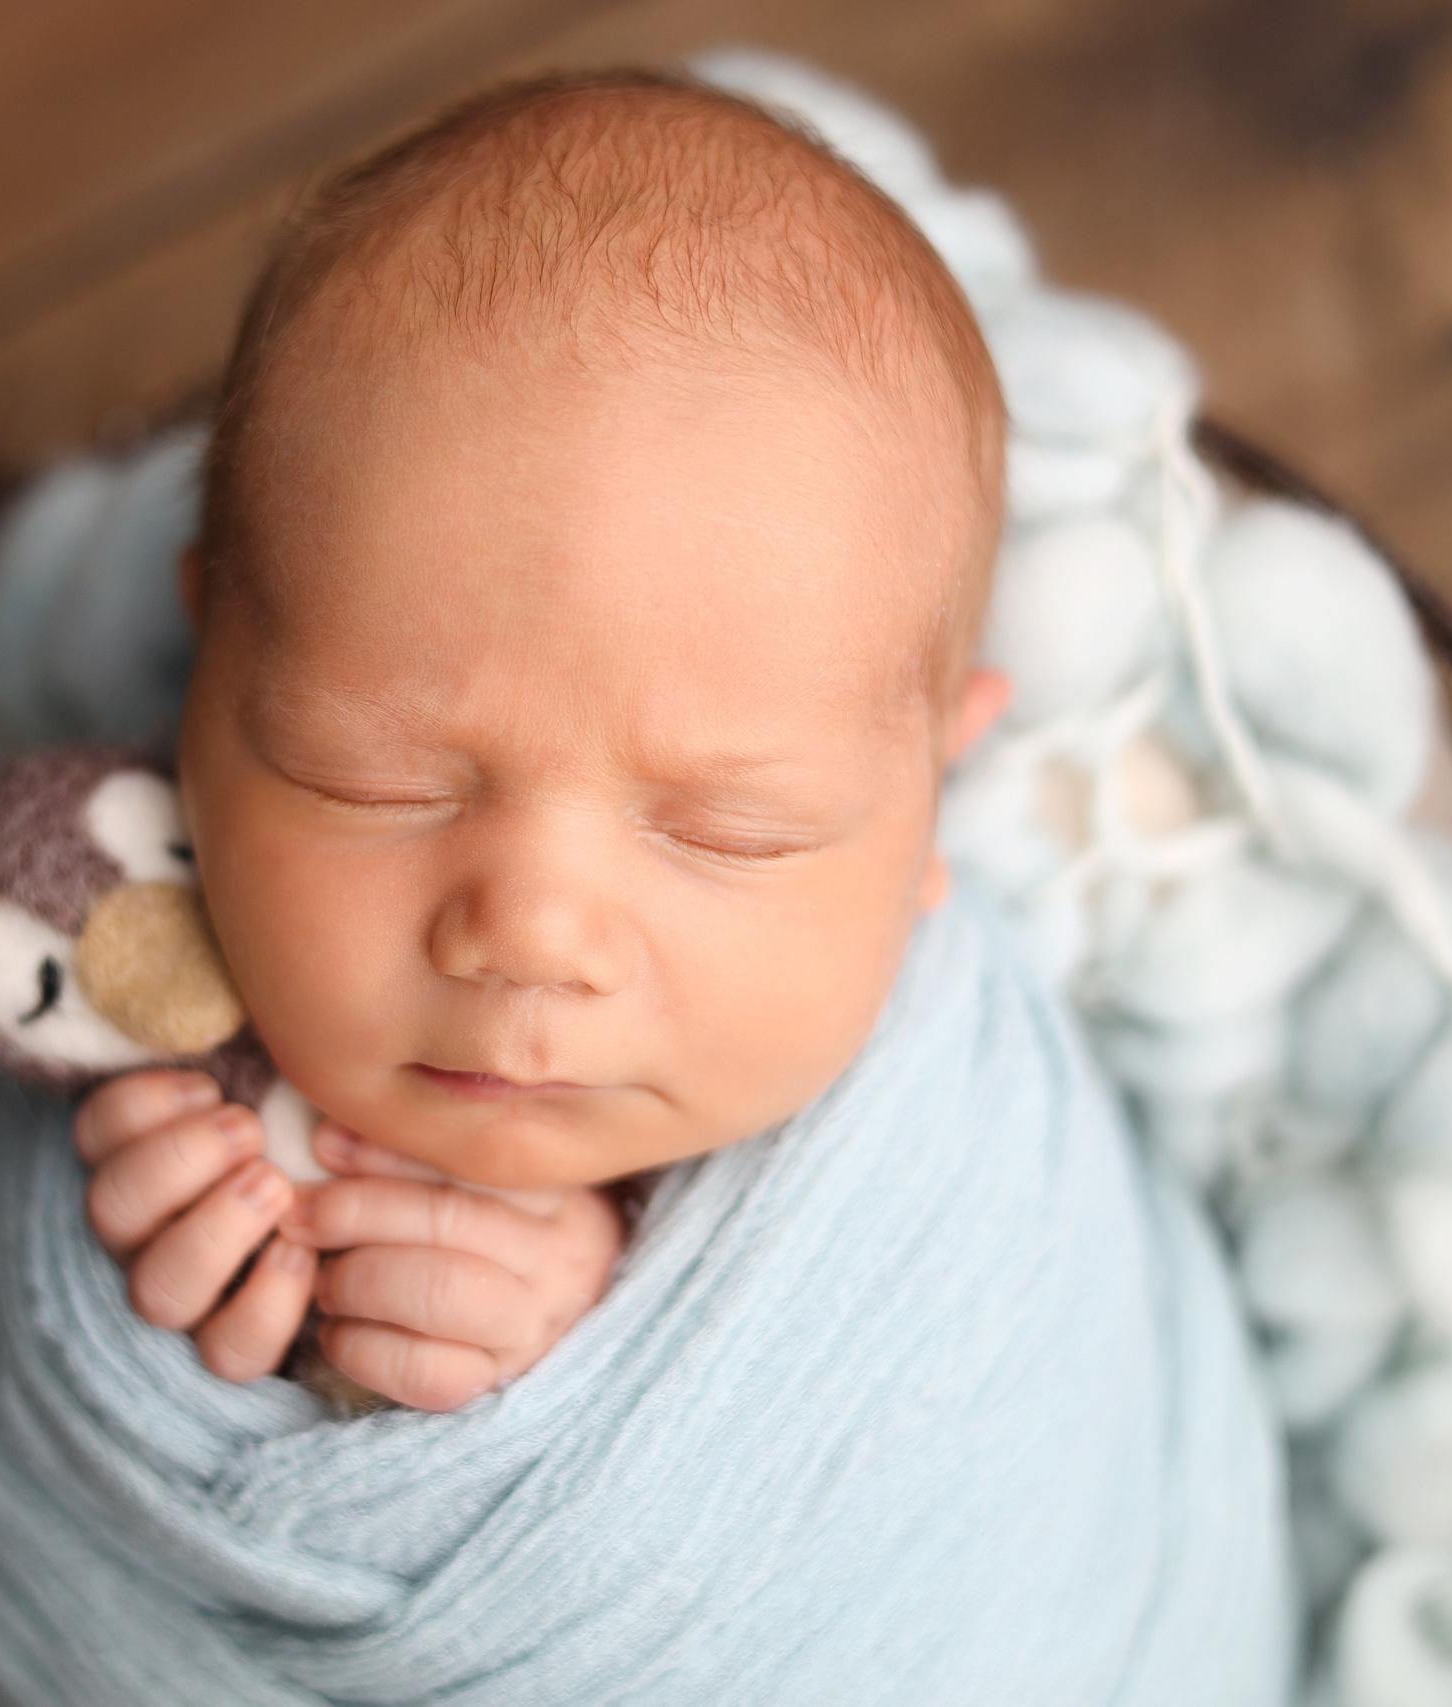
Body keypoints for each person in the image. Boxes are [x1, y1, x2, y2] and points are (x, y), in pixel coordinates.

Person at [68, 66, 1009, 1413]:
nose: (532, 932)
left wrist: (619, 1320)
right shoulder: (131, 990)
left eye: (727, 829)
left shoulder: (956, 1136)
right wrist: (135, 1270)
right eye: (371, 777)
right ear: (206, 672)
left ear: (935, 790)